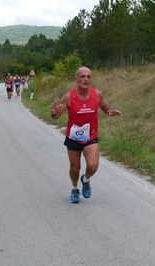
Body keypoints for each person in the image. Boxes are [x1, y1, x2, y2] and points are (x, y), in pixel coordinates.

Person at [50, 66, 121, 203]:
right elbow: (56, 116)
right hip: (74, 138)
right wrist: (54, 113)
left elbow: (106, 109)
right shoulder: (68, 97)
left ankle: (86, 179)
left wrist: (112, 113)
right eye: (82, 76)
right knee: (75, 168)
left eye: (88, 76)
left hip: (91, 137)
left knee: (93, 166)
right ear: (76, 79)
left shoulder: (97, 95)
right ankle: (75, 188)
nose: (86, 79)